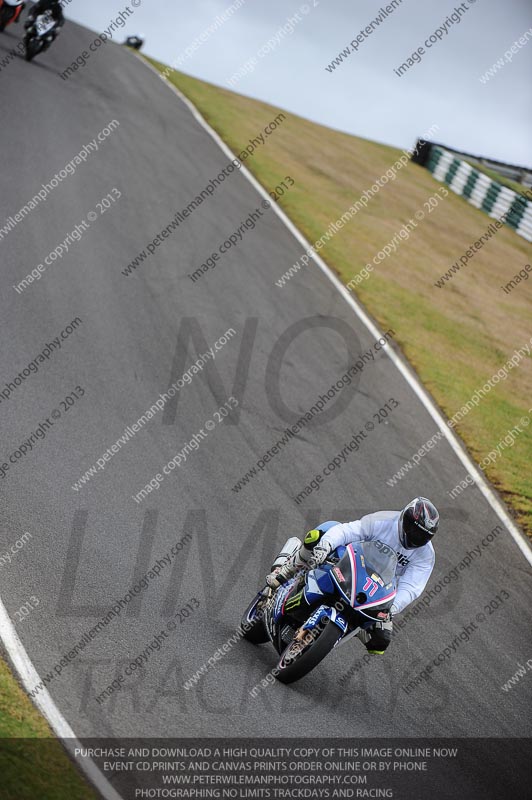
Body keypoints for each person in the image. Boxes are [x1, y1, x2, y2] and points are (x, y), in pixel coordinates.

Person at [266, 497, 439, 655]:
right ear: (404, 518)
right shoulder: (383, 520)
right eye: (412, 529)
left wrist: (391, 609)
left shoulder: (426, 555)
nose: (415, 537)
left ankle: (334, 636)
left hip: (378, 590)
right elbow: (347, 531)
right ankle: (289, 567)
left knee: (380, 642)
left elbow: (411, 587)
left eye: (422, 536)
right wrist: (326, 545)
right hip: (351, 564)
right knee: (323, 532)